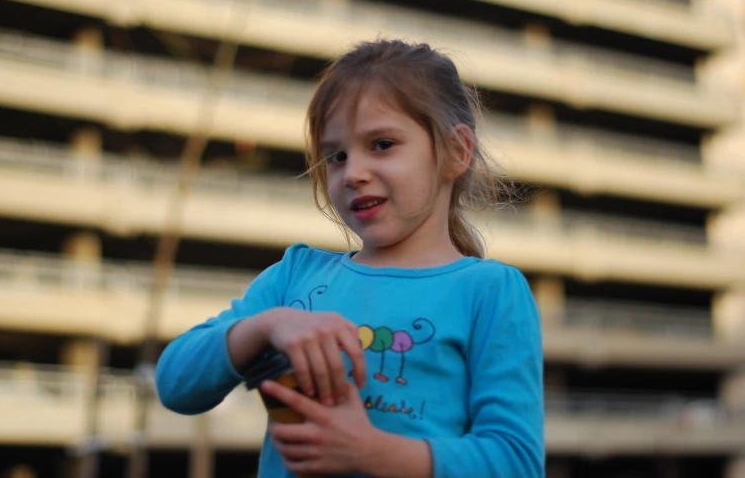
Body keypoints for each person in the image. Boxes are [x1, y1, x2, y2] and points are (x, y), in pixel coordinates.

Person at [156, 39, 544, 477]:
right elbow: (174, 384)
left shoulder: (489, 291)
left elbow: (516, 462)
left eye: (381, 144)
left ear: (457, 151)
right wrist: (266, 326)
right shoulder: (295, 277)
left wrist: (375, 453)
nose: (353, 173)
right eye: (336, 156)